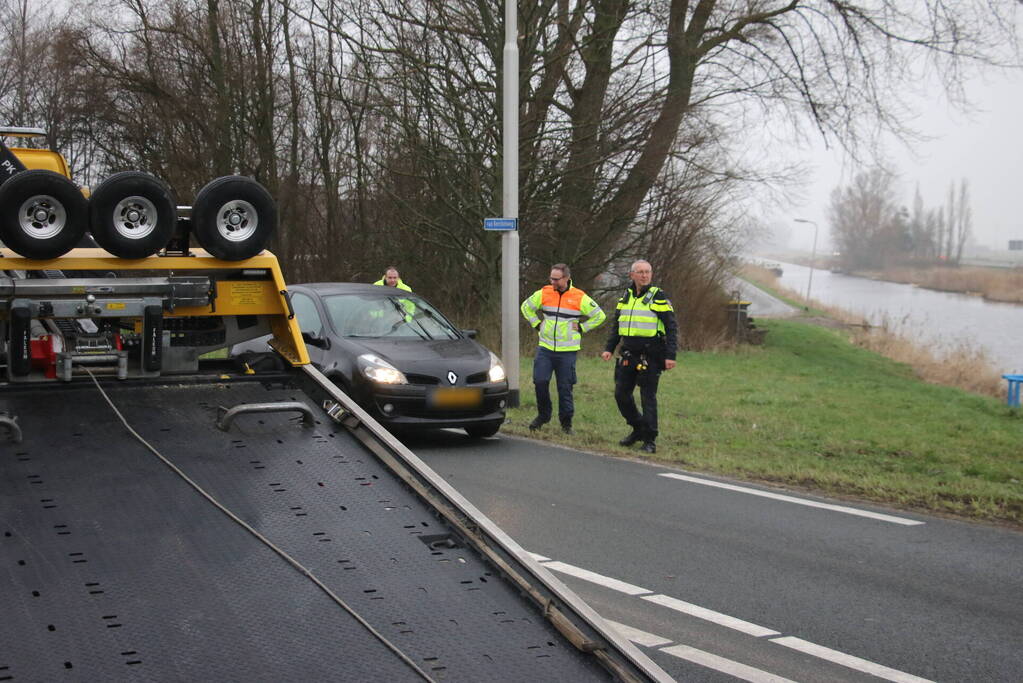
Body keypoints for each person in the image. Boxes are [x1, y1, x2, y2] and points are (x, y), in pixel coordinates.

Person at [600, 260, 678, 454]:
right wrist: (609, 348)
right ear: (632, 275)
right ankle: (638, 428)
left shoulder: (658, 296)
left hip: (651, 354)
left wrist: (670, 355)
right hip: (628, 353)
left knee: (647, 397)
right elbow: (617, 326)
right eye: (640, 272)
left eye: (648, 272)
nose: (645, 275)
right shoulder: (625, 297)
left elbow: (671, 327)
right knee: (621, 394)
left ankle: (650, 439)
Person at [521, 263, 605, 434]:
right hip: (545, 348)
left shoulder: (579, 296)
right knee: (540, 381)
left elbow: (599, 315)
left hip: (567, 351)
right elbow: (525, 307)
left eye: (556, 279)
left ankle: (566, 424)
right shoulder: (544, 292)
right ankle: (544, 415)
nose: (553, 281)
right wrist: (537, 324)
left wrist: (583, 328)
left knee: (564, 387)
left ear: (566, 278)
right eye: (551, 278)